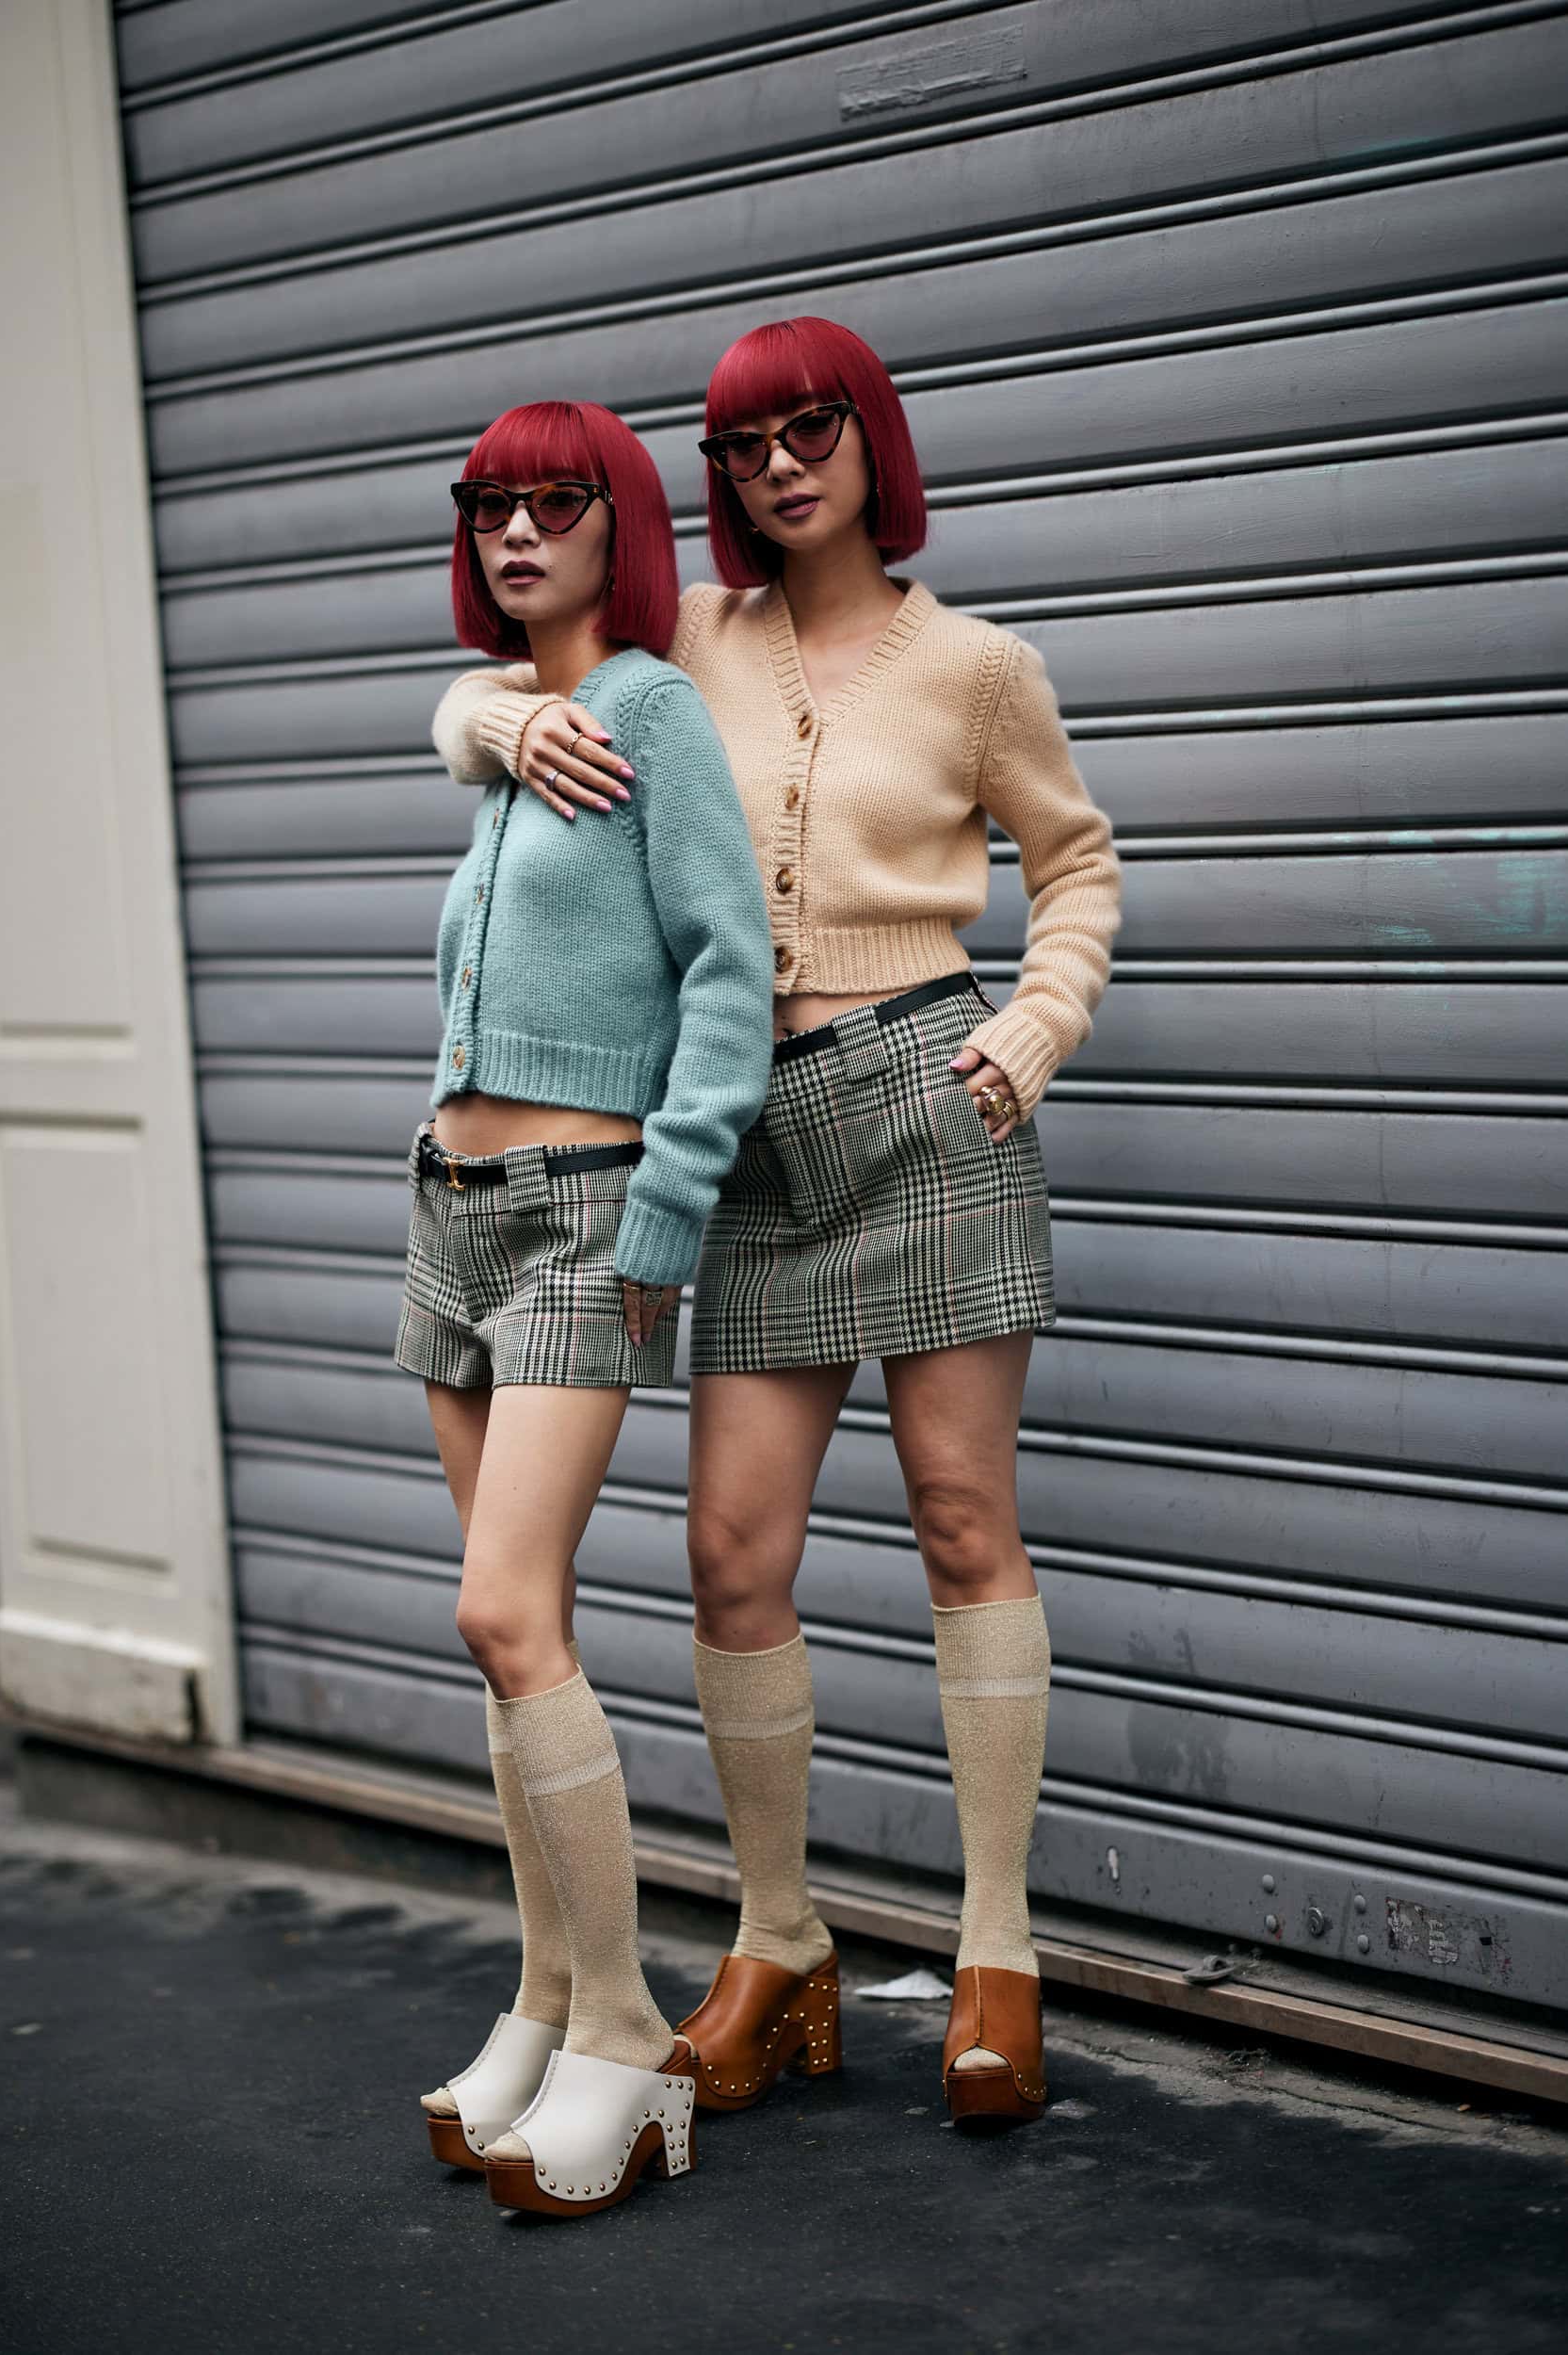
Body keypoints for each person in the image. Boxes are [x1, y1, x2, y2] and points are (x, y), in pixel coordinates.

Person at [431, 320, 1122, 2128]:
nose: (779, 467)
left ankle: (995, 1953)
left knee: (963, 1520)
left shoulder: (979, 668)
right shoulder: (692, 646)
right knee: (732, 1557)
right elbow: (523, 676)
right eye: (742, 446)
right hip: (737, 1138)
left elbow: (1075, 865)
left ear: (871, 440)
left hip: (929, 1097)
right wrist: (487, 718)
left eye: (811, 430)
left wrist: (1040, 1018)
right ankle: (780, 1942)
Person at [398, 398, 772, 2214]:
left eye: (557, 499)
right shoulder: (509, 730)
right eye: (491, 502)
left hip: (581, 1218)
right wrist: (479, 717)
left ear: (619, 520)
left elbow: (730, 969)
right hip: (452, 1208)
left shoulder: (653, 713)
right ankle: (546, 1995)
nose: (518, 528)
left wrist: (674, 1203)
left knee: (503, 1609)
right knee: (508, 1634)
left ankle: (627, 2038)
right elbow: (465, 718)